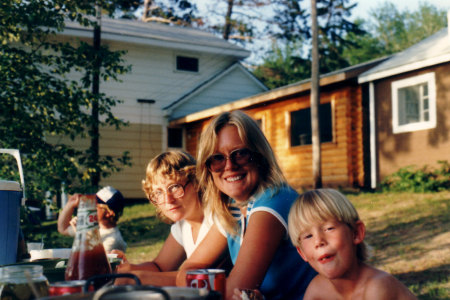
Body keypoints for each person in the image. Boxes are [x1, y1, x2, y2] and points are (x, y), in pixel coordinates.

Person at [178, 110, 316, 300]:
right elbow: (187, 270)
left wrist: (199, 288)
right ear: (208, 168)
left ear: (260, 156)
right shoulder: (234, 207)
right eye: (217, 159)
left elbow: (238, 288)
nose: (229, 166)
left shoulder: (275, 200)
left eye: (240, 154)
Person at [114, 150, 231, 286]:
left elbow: (192, 277)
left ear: (197, 183)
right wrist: (129, 269)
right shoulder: (183, 226)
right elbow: (160, 266)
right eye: (158, 192)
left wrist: (135, 278)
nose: (168, 200)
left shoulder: (218, 217)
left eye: (175, 187)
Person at [287, 188, 417, 300]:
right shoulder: (317, 290)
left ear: (356, 233)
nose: (318, 241)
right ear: (302, 253)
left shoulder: (377, 287)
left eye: (329, 228)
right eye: (308, 236)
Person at [57, 186, 127, 252]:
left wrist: (80, 235)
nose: (91, 205)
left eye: (96, 205)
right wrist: (70, 204)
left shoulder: (113, 240)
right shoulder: (94, 227)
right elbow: (63, 228)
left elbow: (92, 261)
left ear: (108, 213)